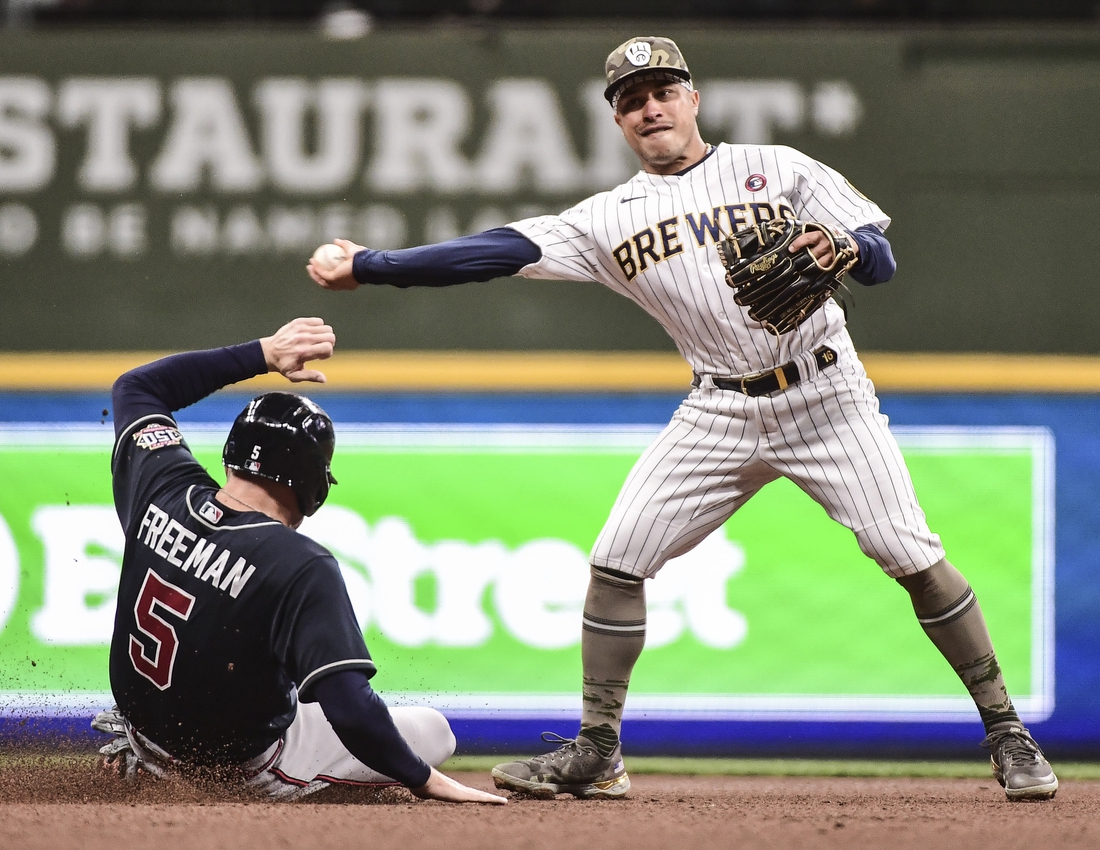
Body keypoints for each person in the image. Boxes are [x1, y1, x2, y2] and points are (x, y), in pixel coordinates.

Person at [305, 37, 1058, 803]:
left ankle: (1007, 733)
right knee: (616, 562)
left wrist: (843, 245)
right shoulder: (608, 218)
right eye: (632, 100)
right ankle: (599, 751)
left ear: (693, 99)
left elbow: (882, 258)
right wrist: (373, 265)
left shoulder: (780, 168)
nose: (650, 107)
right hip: (718, 407)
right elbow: (495, 251)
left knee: (910, 555)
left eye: (663, 91)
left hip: (827, 397)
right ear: (619, 122)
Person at [93, 316, 505, 804]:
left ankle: (142, 751)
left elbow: (137, 386)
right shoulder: (300, 563)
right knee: (433, 733)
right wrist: (426, 781)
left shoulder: (164, 486)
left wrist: (264, 353)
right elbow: (351, 710)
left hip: (144, 731)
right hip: (238, 769)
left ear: (231, 455)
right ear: (311, 488)